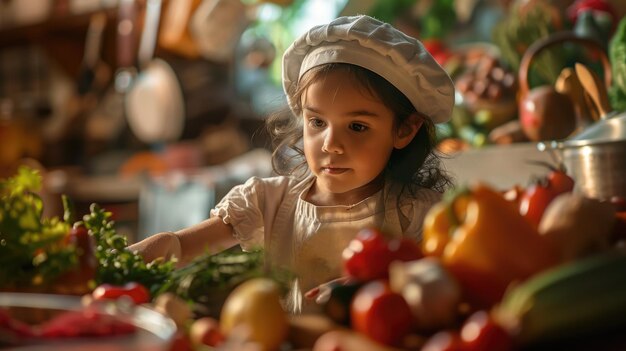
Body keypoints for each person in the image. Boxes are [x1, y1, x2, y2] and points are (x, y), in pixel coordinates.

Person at [128, 14, 455, 313]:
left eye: (357, 126)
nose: (331, 144)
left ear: (404, 129)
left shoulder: (419, 216)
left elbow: (441, 293)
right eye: (317, 123)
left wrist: (365, 294)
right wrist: (121, 263)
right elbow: (182, 245)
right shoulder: (268, 203)